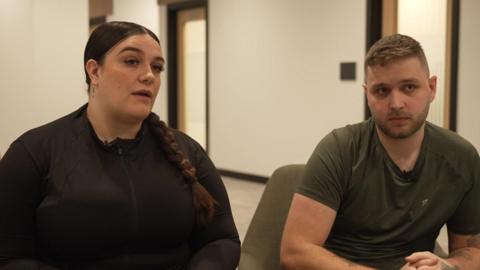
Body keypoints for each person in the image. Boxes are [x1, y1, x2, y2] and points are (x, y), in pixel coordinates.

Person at [0, 21, 240, 270]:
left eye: (157, 67)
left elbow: (222, 239)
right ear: (95, 72)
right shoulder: (33, 152)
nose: (149, 75)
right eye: (131, 61)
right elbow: (10, 258)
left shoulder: (189, 152)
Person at [280, 34, 480, 270]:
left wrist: (446, 265)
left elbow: (472, 251)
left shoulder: (461, 157)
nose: (396, 103)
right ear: (368, 95)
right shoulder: (340, 149)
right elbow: (295, 251)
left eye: (409, 87)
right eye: (382, 91)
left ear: (432, 88)